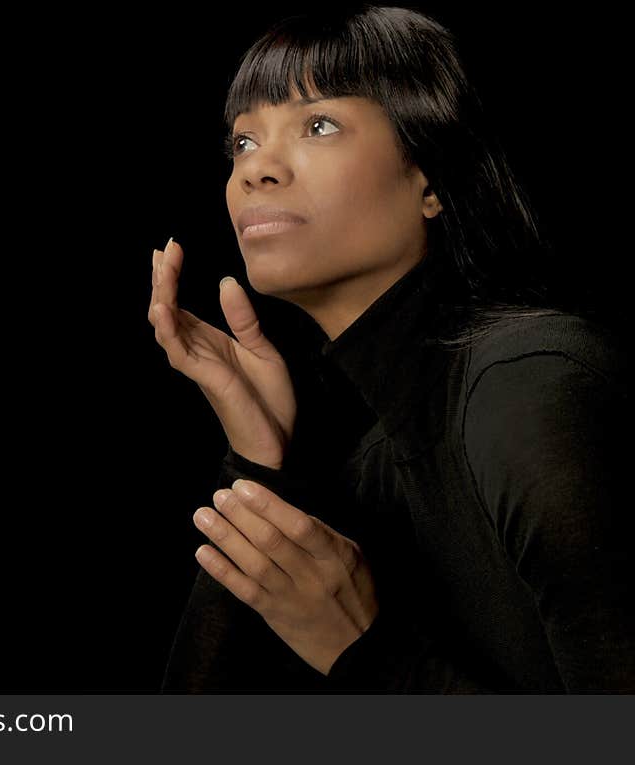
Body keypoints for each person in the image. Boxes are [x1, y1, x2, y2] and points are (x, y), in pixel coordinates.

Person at [148, 5, 633, 693]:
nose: (256, 170)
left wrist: (365, 650)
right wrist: (259, 465)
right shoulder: (374, 461)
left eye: (318, 125)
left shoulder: (531, 387)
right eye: (243, 142)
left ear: (430, 178)